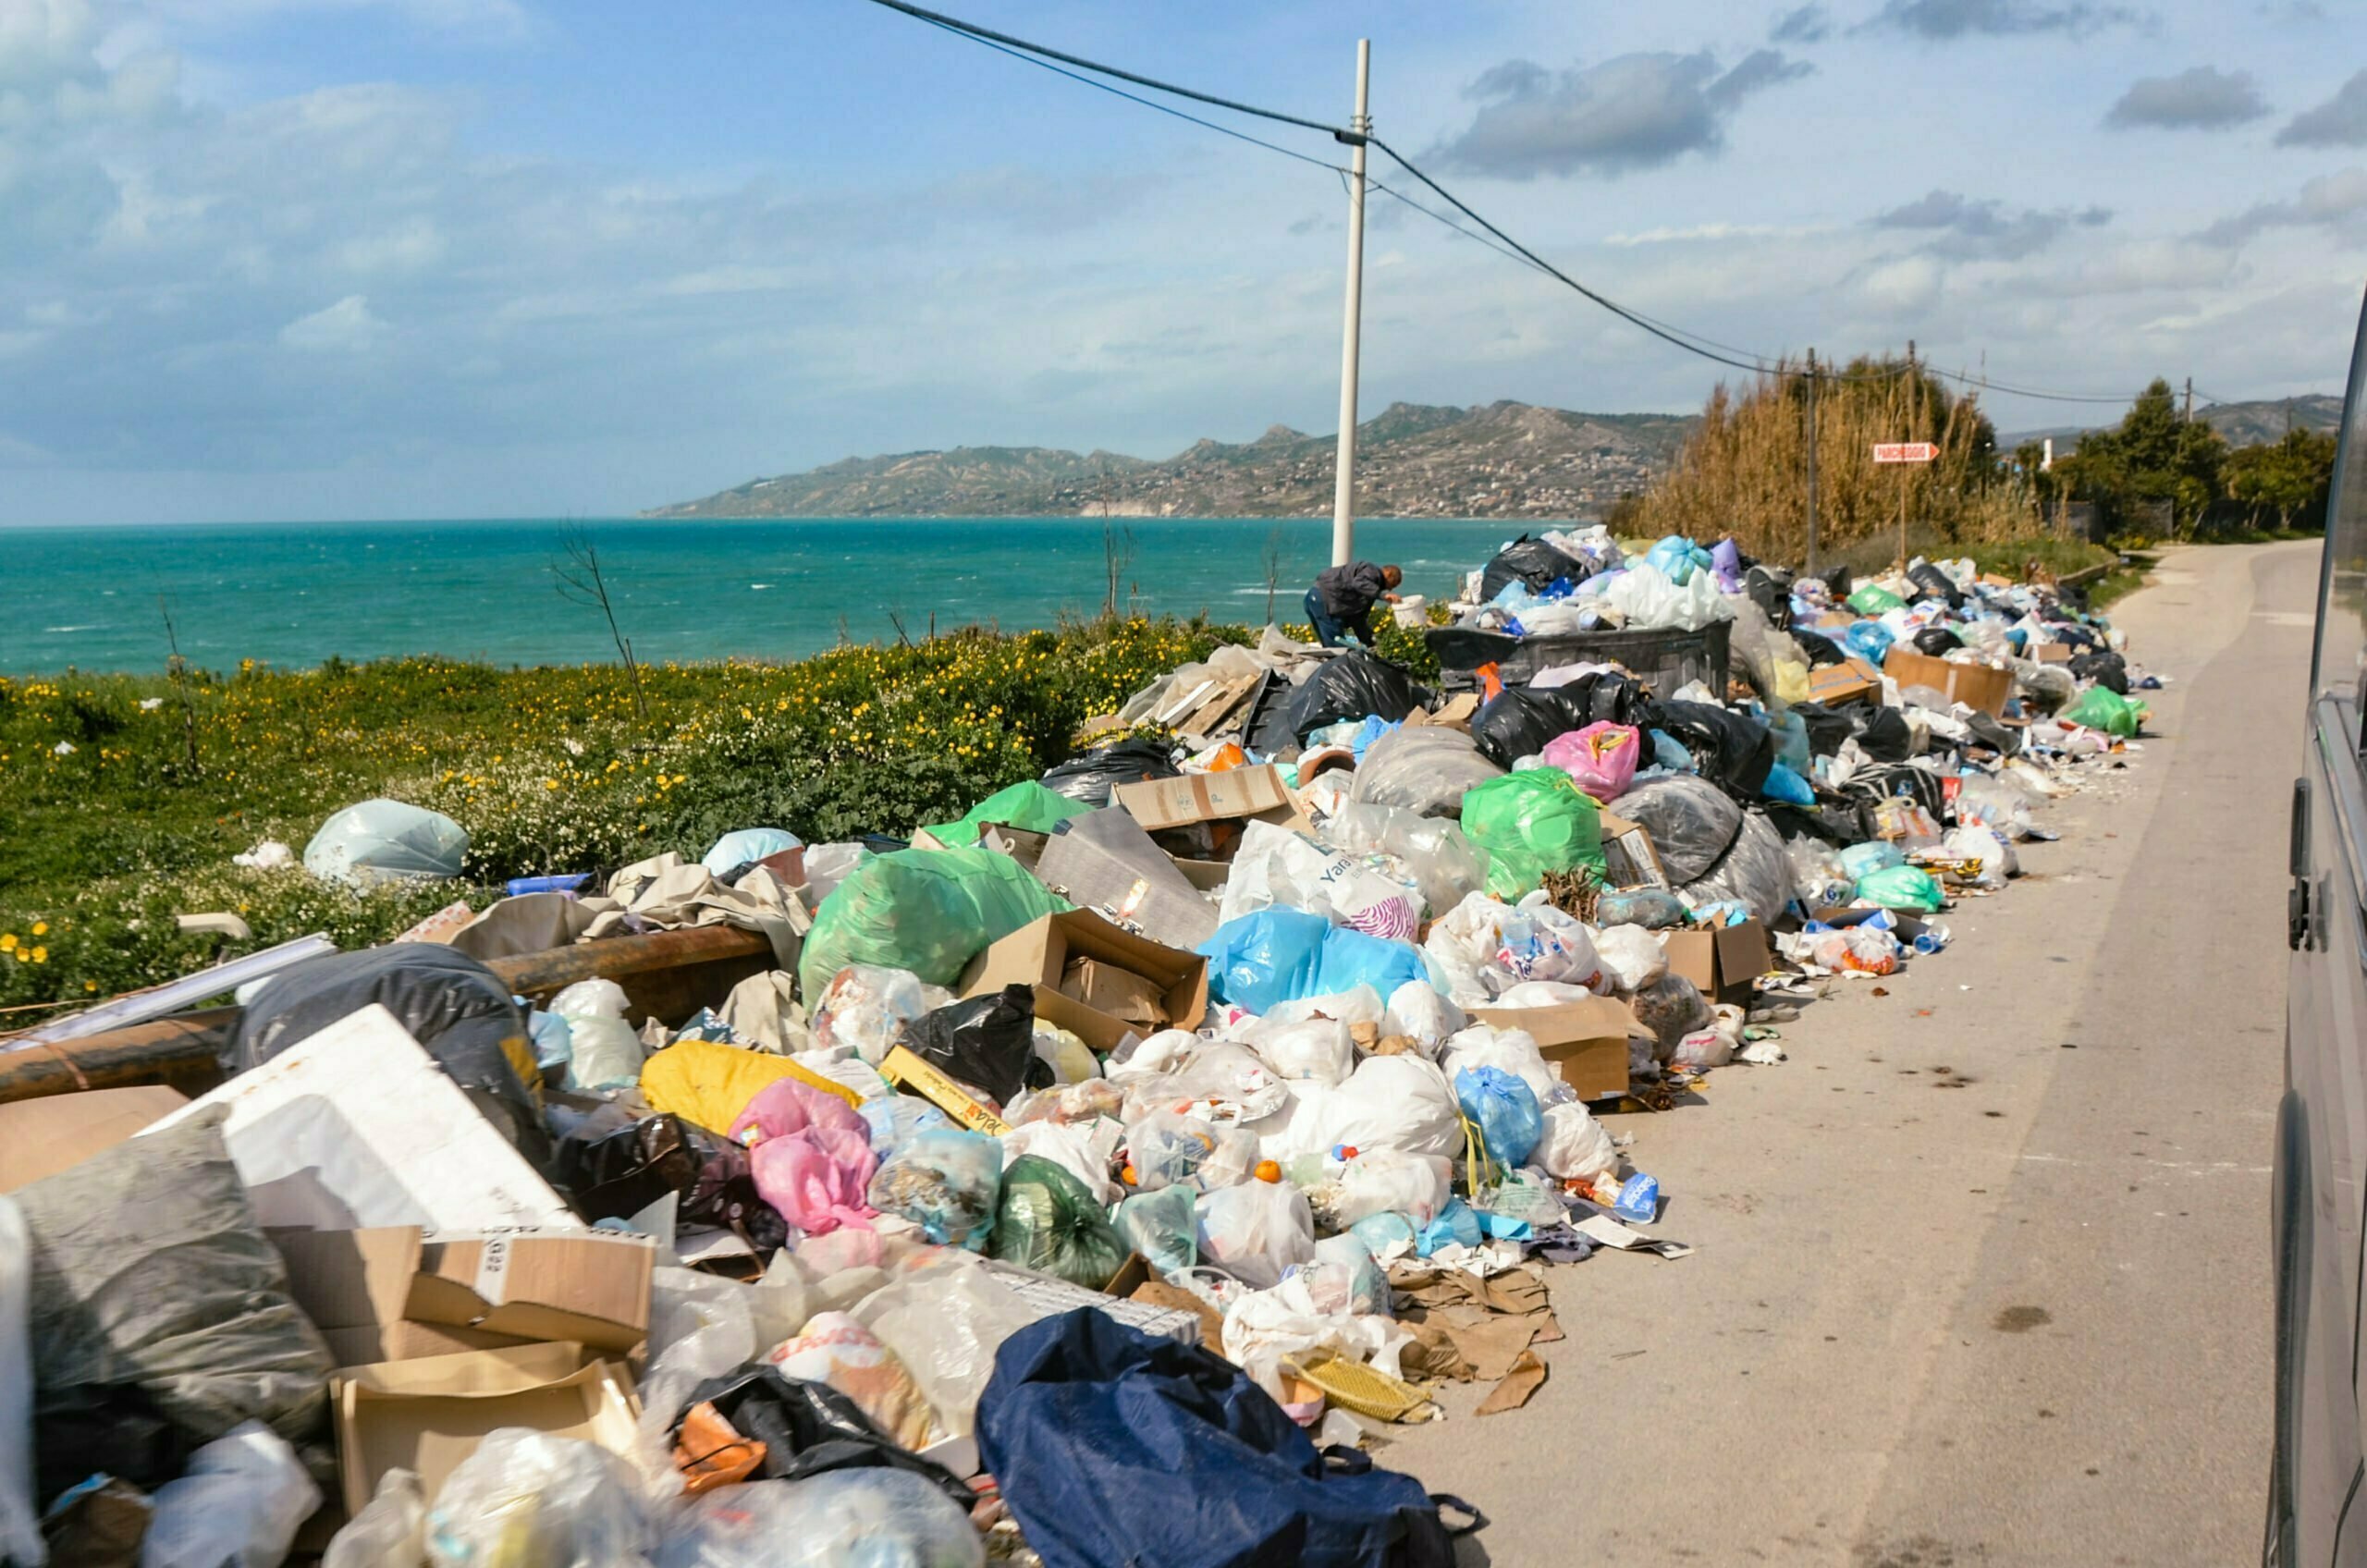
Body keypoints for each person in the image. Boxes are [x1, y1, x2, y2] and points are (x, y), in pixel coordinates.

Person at [1304, 561, 1403, 648]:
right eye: (1393, 584)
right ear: (1388, 574)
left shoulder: (1369, 590)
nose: (1390, 589)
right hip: (1327, 600)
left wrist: (1368, 642)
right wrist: (1383, 595)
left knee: (1329, 644)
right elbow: (1359, 583)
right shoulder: (1372, 571)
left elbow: (1358, 620)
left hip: (1314, 596)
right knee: (1336, 647)